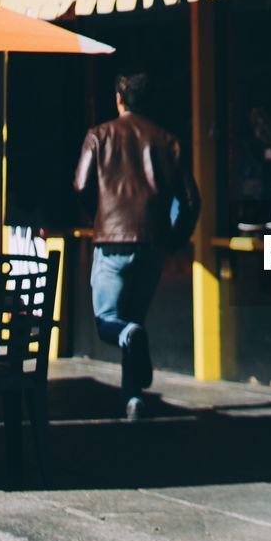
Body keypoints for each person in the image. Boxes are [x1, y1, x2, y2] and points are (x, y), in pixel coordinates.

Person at [74, 73, 200, 421]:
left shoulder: (99, 136)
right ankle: (133, 399)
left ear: (119, 98)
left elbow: (81, 184)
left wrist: (98, 218)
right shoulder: (168, 141)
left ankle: (131, 369)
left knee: (110, 323)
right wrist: (174, 239)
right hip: (152, 242)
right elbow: (191, 201)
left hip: (112, 242)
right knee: (135, 320)